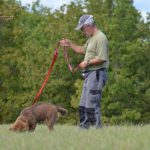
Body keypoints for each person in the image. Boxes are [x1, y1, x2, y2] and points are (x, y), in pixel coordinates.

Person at [60, 14, 109, 129]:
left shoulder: (101, 38)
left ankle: (96, 132)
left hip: (97, 74)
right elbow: (82, 50)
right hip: (89, 75)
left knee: (92, 104)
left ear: (88, 26)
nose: (82, 31)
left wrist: (87, 63)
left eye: (82, 29)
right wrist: (69, 44)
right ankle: (84, 130)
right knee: (83, 105)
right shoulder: (91, 38)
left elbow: (102, 58)